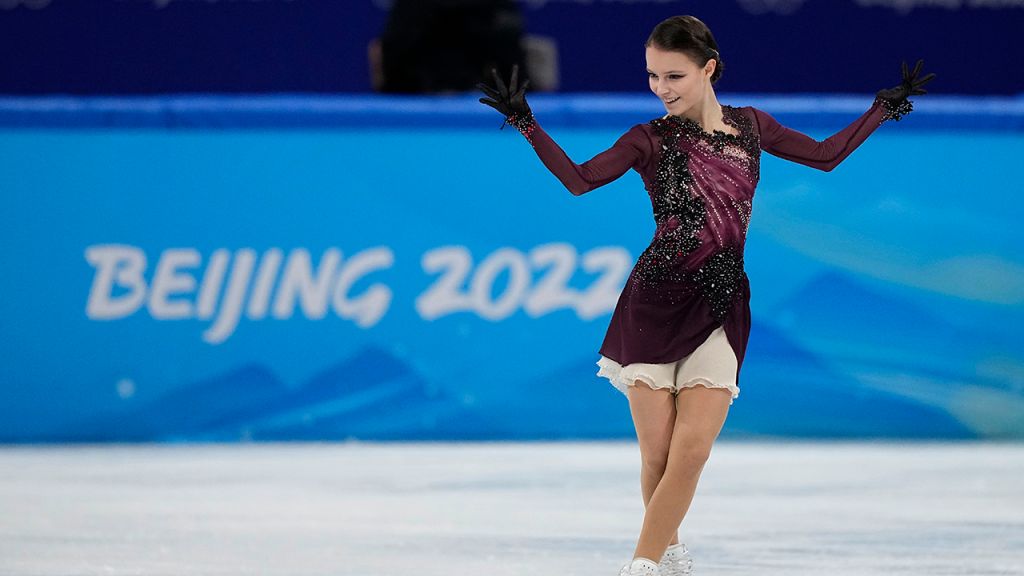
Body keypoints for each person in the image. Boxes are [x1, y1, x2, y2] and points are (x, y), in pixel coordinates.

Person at [477, 14, 935, 576]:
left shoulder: (752, 127)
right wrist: (526, 123)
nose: (661, 89)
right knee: (658, 453)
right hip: (652, 303)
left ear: (708, 68)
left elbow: (824, 155)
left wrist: (881, 111)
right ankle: (666, 552)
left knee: (691, 451)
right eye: (652, 77)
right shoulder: (648, 138)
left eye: (674, 76)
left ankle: (641, 564)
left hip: (721, 305)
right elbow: (580, 180)